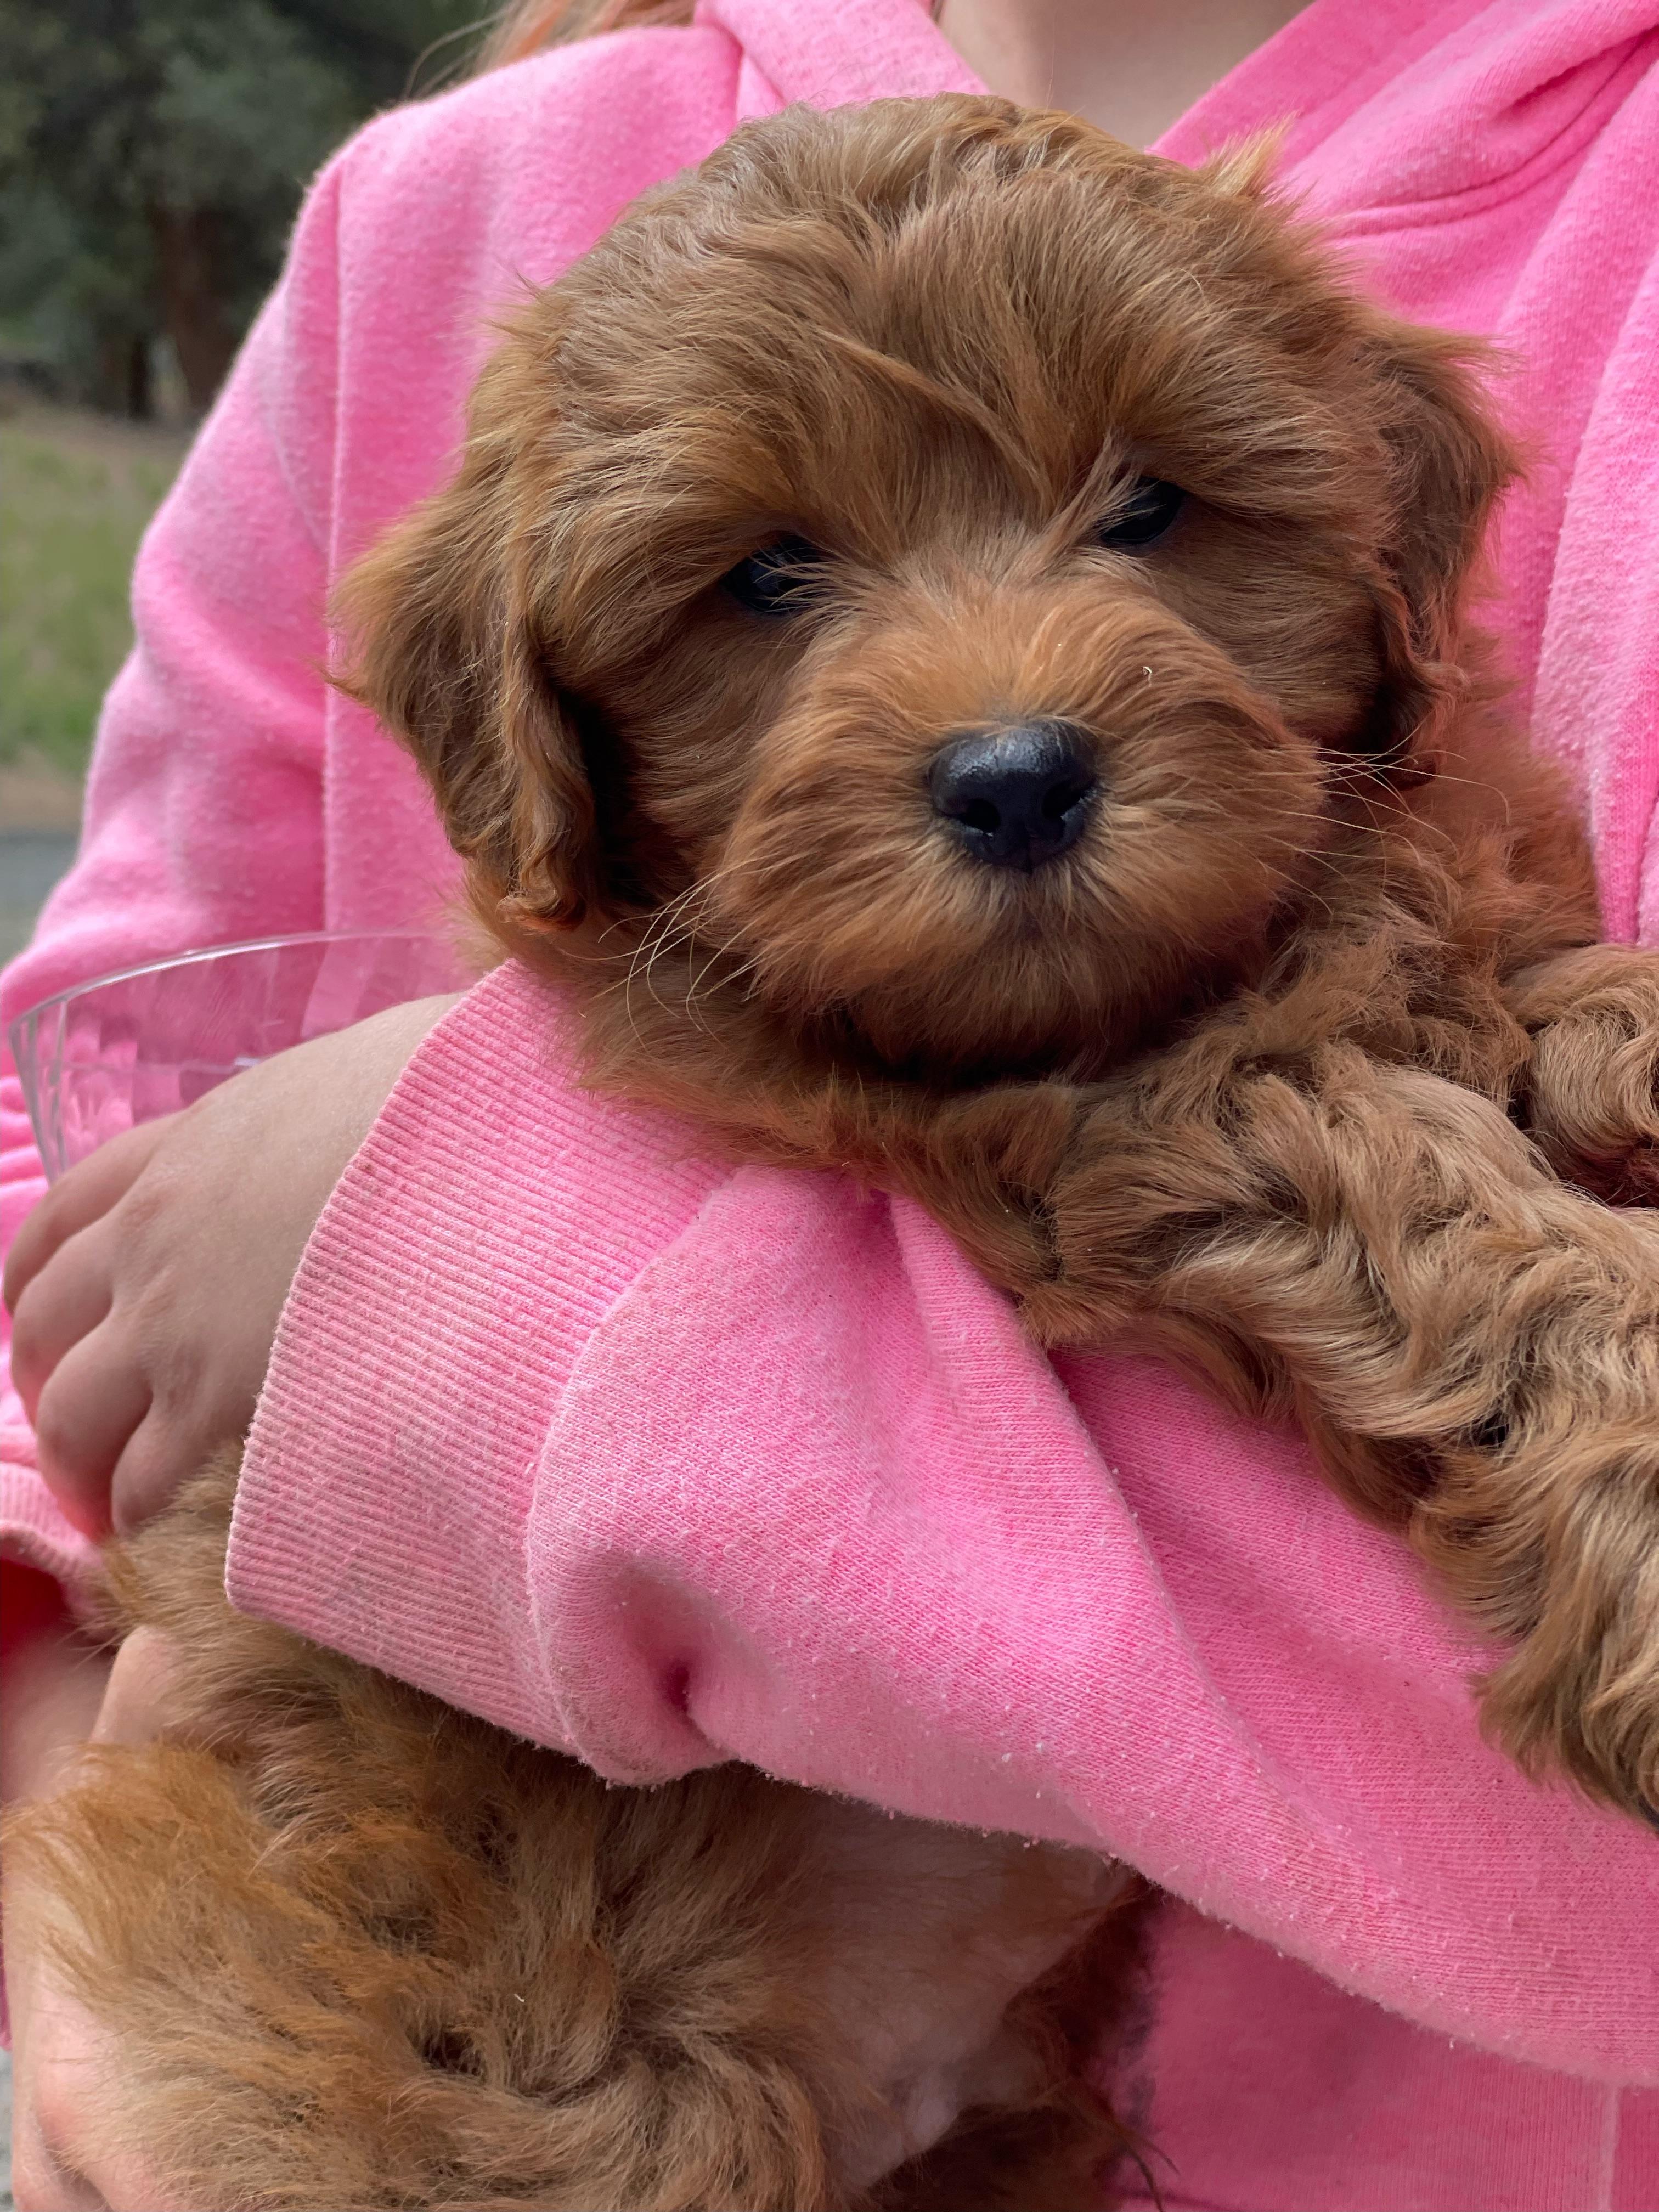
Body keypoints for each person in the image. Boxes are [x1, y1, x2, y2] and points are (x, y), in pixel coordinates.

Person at [8, 0, 1659, 2203]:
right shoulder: (439, 211)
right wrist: (51, 1779)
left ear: (1395, 549)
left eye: (1147, 514)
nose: (1009, 719)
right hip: (456, 2036)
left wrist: (480, 1240)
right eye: (766, 586)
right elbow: (89, 1116)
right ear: (536, 728)